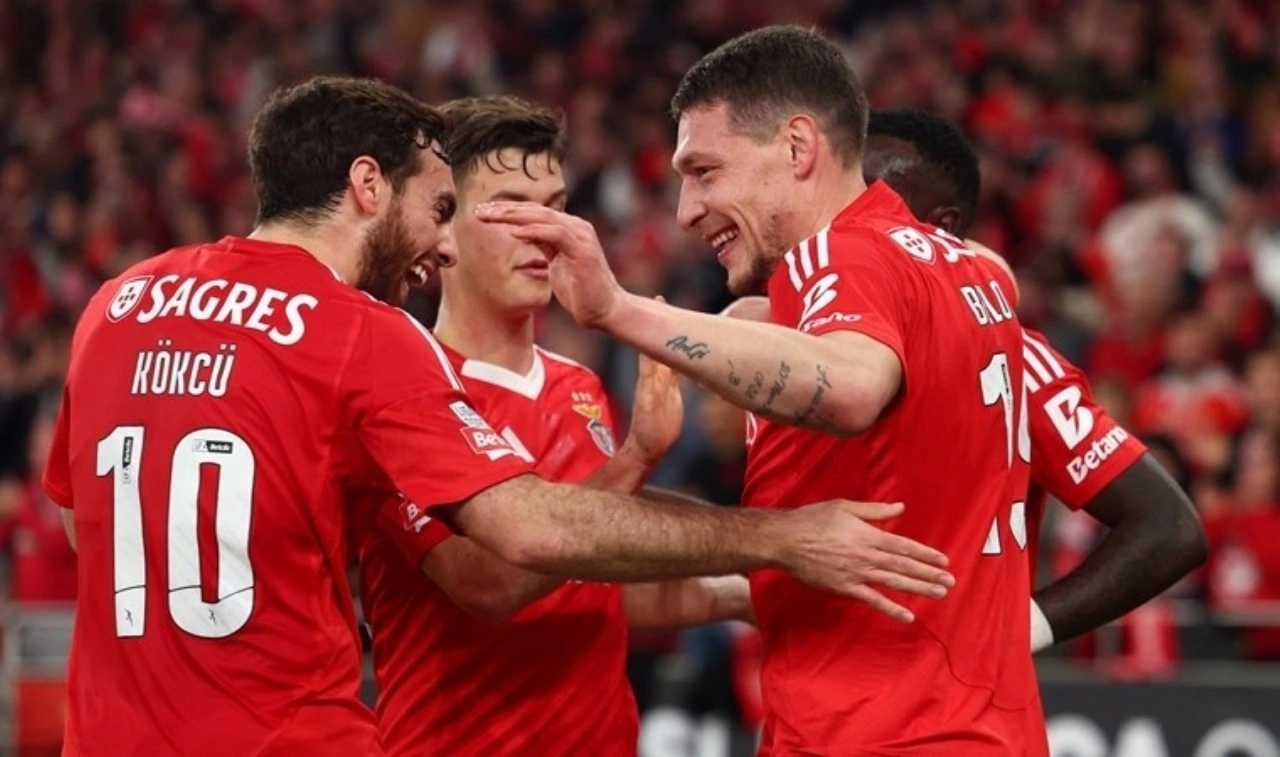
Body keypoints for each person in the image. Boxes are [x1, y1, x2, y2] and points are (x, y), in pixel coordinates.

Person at [44, 75, 952, 756]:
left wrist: (767, 587)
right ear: (367, 186)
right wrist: (777, 534)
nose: (441, 243)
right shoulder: (369, 340)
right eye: (445, 209)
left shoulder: (120, 302)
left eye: (553, 208)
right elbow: (511, 554)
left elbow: (88, 526)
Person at [479, 26, 1040, 755]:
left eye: (706, 171)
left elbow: (851, 386)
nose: (687, 209)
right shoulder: (968, 271)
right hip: (979, 723)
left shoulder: (841, 253)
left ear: (798, 147)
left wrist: (618, 309)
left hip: (883, 736)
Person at [360, 95, 752, 756]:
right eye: (513, 208)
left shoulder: (578, 385)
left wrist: (752, 594)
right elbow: (491, 584)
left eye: (557, 207)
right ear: (444, 223)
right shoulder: (401, 389)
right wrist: (636, 457)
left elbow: (588, 593)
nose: (545, 232)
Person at [858, 108, 1207, 651]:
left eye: (871, 200)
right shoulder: (794, 338)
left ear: (941, 227)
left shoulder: (1012, 357)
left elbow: (1169, 527)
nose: (848, 221)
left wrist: (1019, 631)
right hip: (804, 699)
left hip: (951, 699)